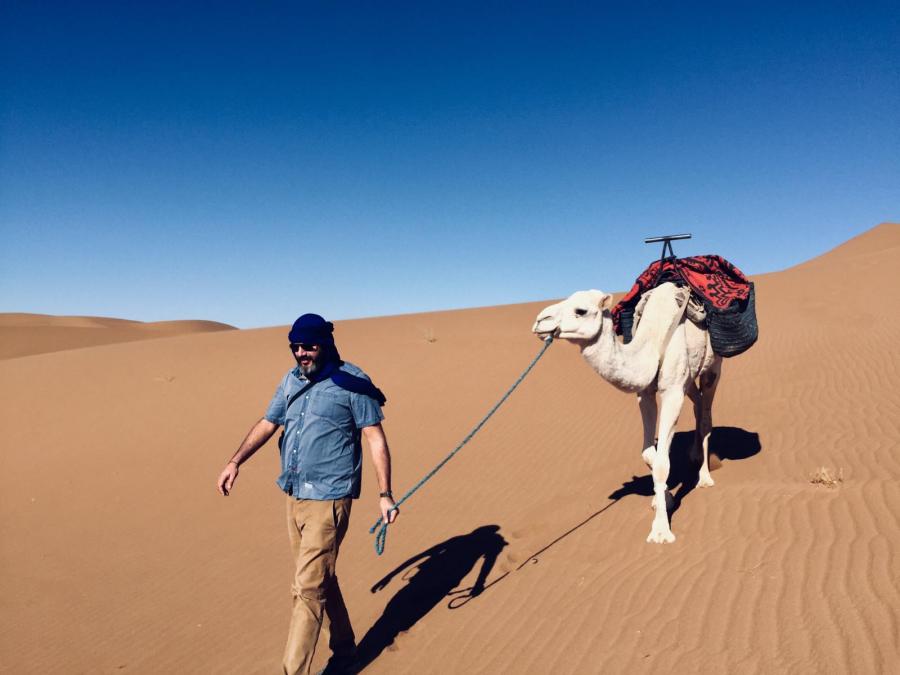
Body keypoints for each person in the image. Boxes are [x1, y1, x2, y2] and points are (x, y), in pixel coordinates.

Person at [216, 313, 398, 675]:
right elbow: (269, 422)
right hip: (295, 495)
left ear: (325, 344)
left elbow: (375, 439)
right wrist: (235, 461)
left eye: (309, 345)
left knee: (306, 590)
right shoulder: (291, 380)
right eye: (296, 347)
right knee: (320, 581)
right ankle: (346, 652)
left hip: (330, 500)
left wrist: (385, 493)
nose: (302, 353)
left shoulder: (352, 383)